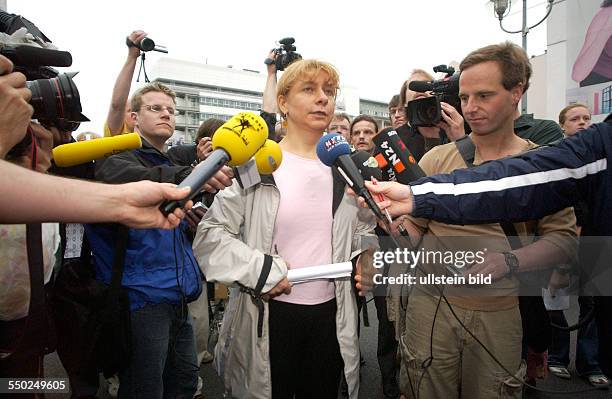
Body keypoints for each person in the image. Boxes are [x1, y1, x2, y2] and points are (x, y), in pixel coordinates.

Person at [390, 42, 577, 399]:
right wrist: (388, 218)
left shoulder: (545, 167)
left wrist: (509, 261)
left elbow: (564, 240)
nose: (471, 108)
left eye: (484, 95)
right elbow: (413, 234)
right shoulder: (437, 160)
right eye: (464, 97)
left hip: (501, 314)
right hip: (430, 309)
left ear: (516, 91)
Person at [193, 59, 376, 399]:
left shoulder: (347, 166)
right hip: (267, 315)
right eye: (309, 89)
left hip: (332, 317)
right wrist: (262, 270)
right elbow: (209, 238)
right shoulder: (255, 165)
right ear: (283, 102)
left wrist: (367, 257)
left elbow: (363, 228)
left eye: (329, 91)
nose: (323, 98)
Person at [85, 82, 232, 399]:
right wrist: (183, 179)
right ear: (134, 118)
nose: (166, 113)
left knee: (185, 385)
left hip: (179, 295)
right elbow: (121, 177)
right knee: (144, 389)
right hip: (141, 300)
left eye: (171, 110)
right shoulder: (115, 157)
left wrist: (191, 224)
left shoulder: (169, 162)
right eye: (155, 108)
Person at [104, 30, 145, 137]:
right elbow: (117, 105)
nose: (134, 115)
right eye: (129, 111)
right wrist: (132, 56)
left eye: (138, 110)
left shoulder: (152, 137)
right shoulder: (118, 135)